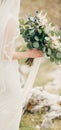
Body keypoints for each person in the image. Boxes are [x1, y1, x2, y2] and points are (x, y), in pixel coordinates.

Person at [0, 0, 43, 130]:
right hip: (6, 71)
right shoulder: (9, 19)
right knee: (12, 108)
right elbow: (3, 54)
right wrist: (29, 54)